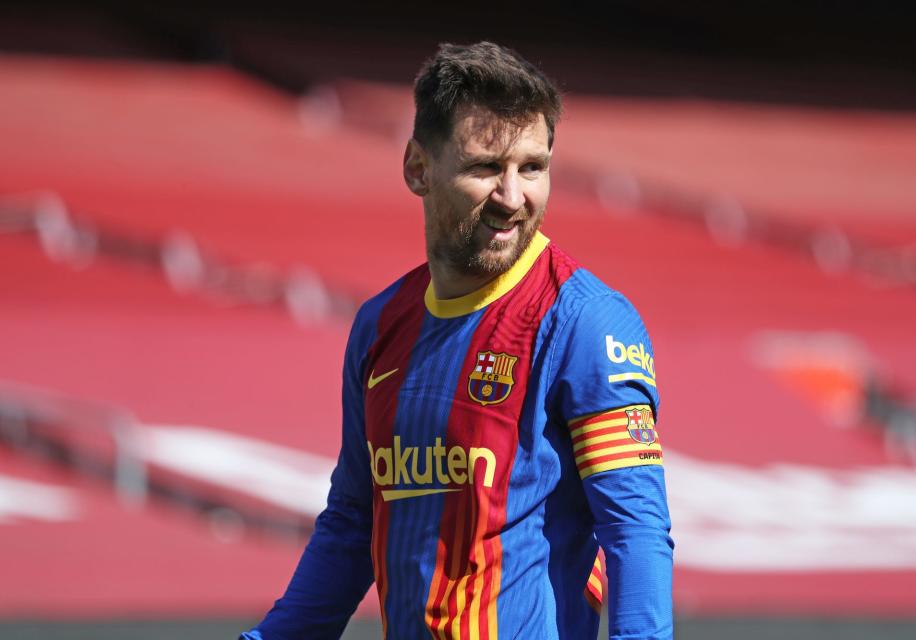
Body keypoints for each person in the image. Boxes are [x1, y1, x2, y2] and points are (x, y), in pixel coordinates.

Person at [241, 41, 673, 640]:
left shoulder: (585, 321)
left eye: (533, 167)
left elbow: (636, 532)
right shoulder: (378, 324)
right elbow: (352, 523)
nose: (512, 197)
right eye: (484, 167)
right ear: (418, 168)